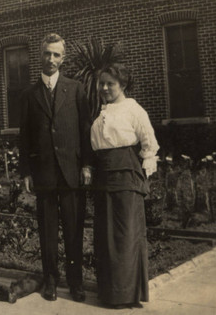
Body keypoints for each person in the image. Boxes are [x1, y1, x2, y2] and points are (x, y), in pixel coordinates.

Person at [19, 33, 93, 302]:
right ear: (40, 56)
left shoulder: (75, 89)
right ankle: (50, 280)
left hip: (72, 171)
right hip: (44, 173)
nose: (51, 59)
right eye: (47, 53)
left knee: (74, 229)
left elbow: (85, 130)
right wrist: (26, 171)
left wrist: (86, 165)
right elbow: (24, 136)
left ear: (63, 58)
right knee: (47, 230)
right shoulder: (29, 95)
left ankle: (76, 283)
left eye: (56, 54)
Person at [90, 62, 159, 309]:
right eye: (102, 83)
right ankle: (109, 292)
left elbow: (149, 144)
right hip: (103, 176)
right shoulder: (102, 110)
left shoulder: (133, 109)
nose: (105, 88)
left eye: (111, 84)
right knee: (105, 235)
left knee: (125, 234)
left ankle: (126, 294)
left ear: (123, 85)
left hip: (125, 175)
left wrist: (145, 171)